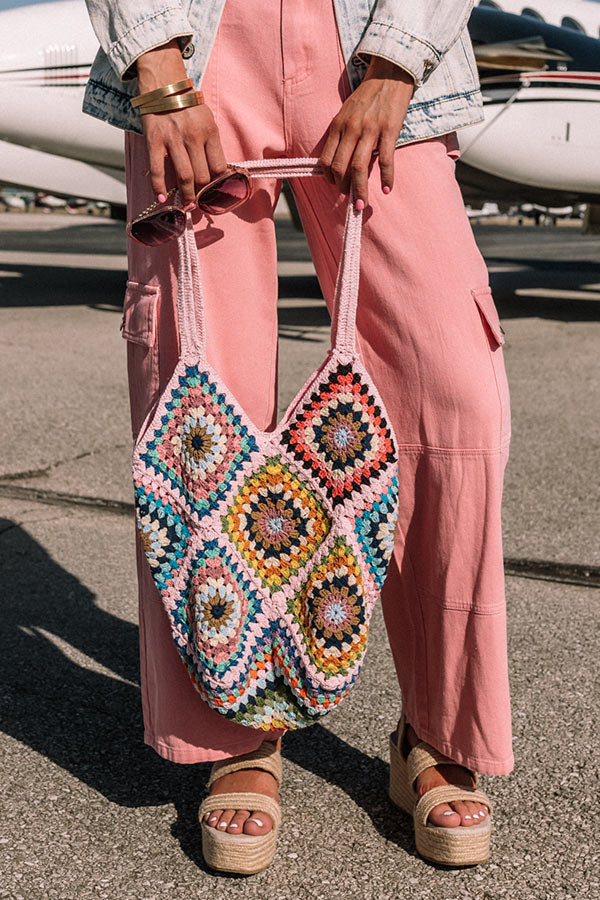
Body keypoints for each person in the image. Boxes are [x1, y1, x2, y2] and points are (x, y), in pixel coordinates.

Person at [82, 0, 514, 874]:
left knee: (453, 389)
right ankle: (235, 725)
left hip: (372, 41)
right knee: (201, 401)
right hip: (197, 47)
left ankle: (437, 728)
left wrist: (397, 63)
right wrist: (157, 71)